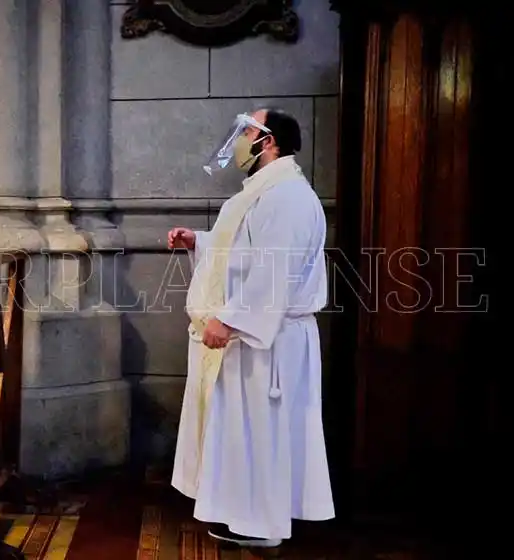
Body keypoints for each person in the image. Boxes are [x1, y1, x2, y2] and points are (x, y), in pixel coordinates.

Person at [167, 109, 334, 547]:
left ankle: (263, 526)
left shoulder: (289, 196)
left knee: (263, 432)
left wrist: (230, 319)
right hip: (256, 337)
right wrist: (198, 241)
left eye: (248, 131)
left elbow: (275, 270)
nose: (240, 139)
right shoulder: (264, 191)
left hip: (267, 342)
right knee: (245, 432)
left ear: (270, 141)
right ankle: (242, 515)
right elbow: (243, 249)